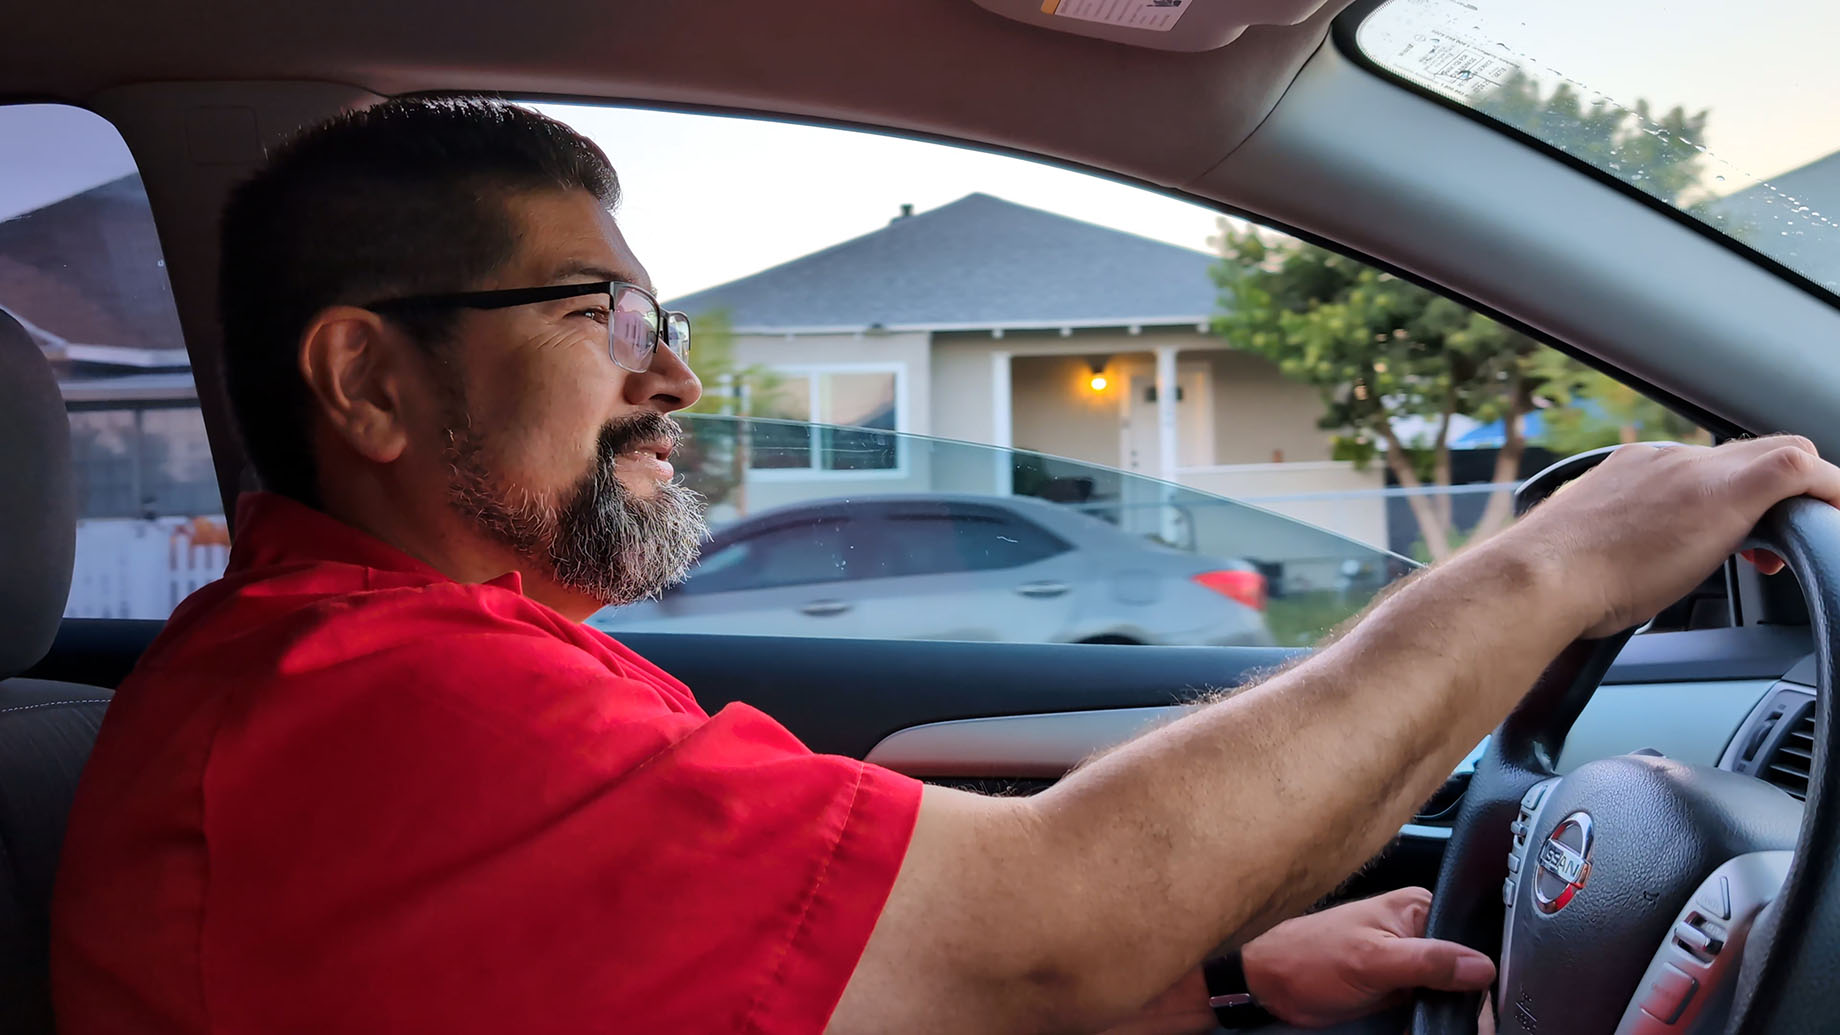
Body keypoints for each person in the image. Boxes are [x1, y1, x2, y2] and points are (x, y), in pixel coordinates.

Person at [49, 98, 1838, 1035]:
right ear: (367, 379)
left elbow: (850, 949)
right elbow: (1049, 925)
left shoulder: (464, 663)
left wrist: (1226, 977)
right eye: (599, 313)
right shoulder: (371, 711)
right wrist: (1539, 572)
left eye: (656, 312)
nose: (671, 370)